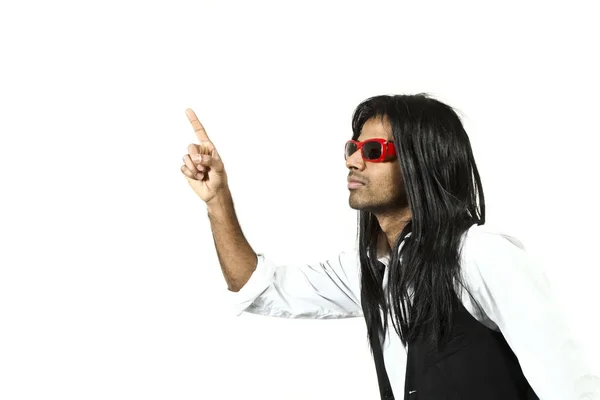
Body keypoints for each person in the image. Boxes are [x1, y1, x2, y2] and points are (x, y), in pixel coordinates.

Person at [180, 94, 599, 399]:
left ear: (421, 161)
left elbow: (569, 387)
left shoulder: (481, 256)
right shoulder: (374, 271)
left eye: (374, 150)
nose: (353, 160)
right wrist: (219, 200)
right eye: (353, 147)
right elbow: (258, 288)